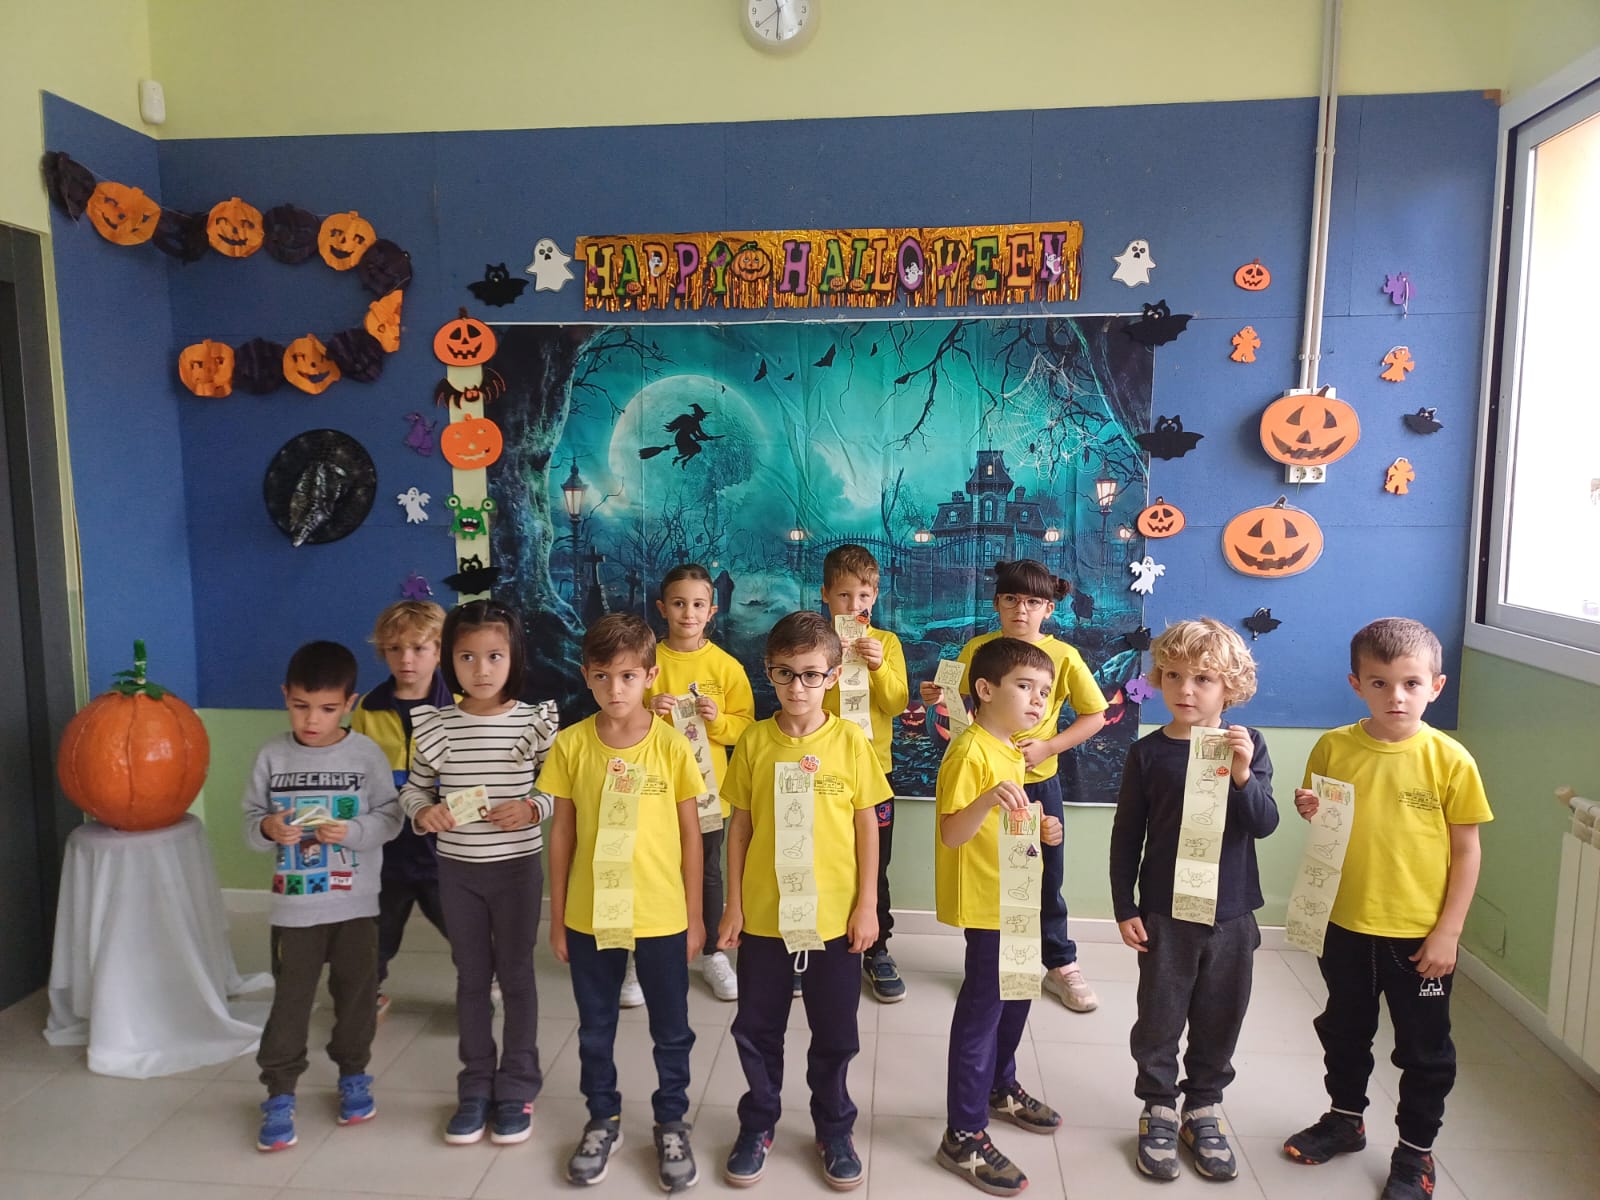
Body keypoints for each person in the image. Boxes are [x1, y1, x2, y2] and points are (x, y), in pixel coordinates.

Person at [1282, 618, 1492, 1200]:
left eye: (1410, 683)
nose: (1395, 696)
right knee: (1344, 1030)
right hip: (1344, 926)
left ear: (1435, 686)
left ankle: (1415, 1151)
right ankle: (1345, 1119)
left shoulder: (1450, 760)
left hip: (1419, 938)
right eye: (1379, 683)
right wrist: (1309, 807)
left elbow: (1467, 851)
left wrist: (1449, 932)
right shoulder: (1334, 746)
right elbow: (1324, 815)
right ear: (1357, 684)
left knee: (1424, 1051)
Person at [718, 611, 889, 1192]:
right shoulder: (753, 742)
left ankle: (834, 1128)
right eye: (785, 673)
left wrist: (867, 906)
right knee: (757, 1028)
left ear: (833, 677)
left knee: (836, 1033)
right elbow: (740, 828)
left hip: (834, 919)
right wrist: (734, 905)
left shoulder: (850, 742)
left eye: (812, 674)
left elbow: (867, 827)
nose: (798, 687)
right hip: (766, 917)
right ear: (769, 672)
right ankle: (758, 1123)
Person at [541, 613, 706, 1192]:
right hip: (590, 916)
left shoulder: (672, 746)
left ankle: (671, 1121)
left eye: (629, 676)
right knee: (595, 1026)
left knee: (672, 1027)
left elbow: (691, 835)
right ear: (586, 675)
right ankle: (601, 1117)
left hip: (661, 915)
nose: (616, 689)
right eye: (603, 676)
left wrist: (695, 916)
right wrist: (558, 917)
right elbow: (562, 834)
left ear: (650, 676)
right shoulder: (570, 745)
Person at [1109, 618, 1278, 1181]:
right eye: (1174, 675)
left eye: (1203, 678)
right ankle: (1158, 1106)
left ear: (1231, 686)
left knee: (1221, 1014)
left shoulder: (1249, 745)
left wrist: (1242, 775)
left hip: (1231, 913)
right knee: (1159, 1016)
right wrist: (1125, 905)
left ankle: (1202, 1107)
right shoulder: (1147, 753)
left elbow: (1264, 823)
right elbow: (1127, 834)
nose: (1185, 689)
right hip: (1166, 912)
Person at [399, 600, 559, 1147]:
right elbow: (415, 788)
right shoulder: (436, 726)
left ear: (514, 658)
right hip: (458, 873)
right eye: (467, 657)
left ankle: (516, 1085)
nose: (482, 669)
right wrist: (423, 812)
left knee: (516, 976)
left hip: (516, 871)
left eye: (495, 656)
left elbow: (558, 789)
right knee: (471, 978)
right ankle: (474, 1085)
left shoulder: (534, 723)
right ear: (450, 660)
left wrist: (533, 807)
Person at [921, 558, 1107, 1012]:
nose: (1020, 610)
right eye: (1010, 599)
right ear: (997, 603)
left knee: (1046, 875)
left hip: (1037, 782)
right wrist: (936, 696)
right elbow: (955, 698)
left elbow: (1096, 715)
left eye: (1032, 602)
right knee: (990, 876)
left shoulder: (1065, 656)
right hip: (987, 784)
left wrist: (1049, 747)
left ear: (1049, 608)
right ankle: (988, 966)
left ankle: (1059, 963)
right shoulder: (977, 648)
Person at [243, 640, 401, 1152]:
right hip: (296, 908)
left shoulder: (365, 754)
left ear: (350, 703)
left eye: (329, 709)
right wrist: (268, 827)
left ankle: (353, 1074)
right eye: (301, 706)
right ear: (285, 696)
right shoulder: (271, 754)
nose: (313, 720)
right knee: (291, 1001)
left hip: (356, 904)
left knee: (356, 997)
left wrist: (352, 831)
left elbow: (390, 818)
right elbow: (250, 824)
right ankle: (279, 1092)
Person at [933, 636, 1065, 1196]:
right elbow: (953, 832)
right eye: (1024, 686)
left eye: (1044, 691)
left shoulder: (1011, 748)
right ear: (985, 690)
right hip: (989, 903)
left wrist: (1042, 827)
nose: (1038, 700)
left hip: (1018, 894)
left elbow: (1009, 820)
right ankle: (962, 1134)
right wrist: (987, 800)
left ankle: (999, 1086)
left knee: (1018, 994)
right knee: (982, 1013)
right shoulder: (970, 751)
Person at [645, 563, 756, 1006]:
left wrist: (718, 719)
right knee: (652, 869)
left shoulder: (726, 667)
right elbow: (621, 718)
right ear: (662, 608)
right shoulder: (646, 662)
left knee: (708, 872)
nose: (687, 613)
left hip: (708, 795)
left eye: (697, 605)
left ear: (712, 611)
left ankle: (712, 954)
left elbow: (746, 728)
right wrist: (648, 711)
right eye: (678, 604)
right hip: (654, 792)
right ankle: (645, 954)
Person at [349, 600, 452, 1019]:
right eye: (394, 649)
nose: (406, 659)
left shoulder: (461, 706)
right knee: (377, 932)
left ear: (440, 651)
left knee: (465, 931)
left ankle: (484, 987)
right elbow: (357, 775)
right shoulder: (368, 710)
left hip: (444, 852)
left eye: (419, 648)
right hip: (387, 851)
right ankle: (366, 993)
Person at [819, 544, 911, 1003]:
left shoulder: (888, 643)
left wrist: (878, 667)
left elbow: (897, 703)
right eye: (843, 596)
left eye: (862, 596)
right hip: (824, 773)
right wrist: (827, 664)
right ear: (825, 596)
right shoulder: (817, 642)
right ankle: (813, 945)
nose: (853, 605)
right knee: (821, 857)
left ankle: (877, 949)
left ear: (875, 596)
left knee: (877, 865)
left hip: (875, 774)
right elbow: (803, 703)